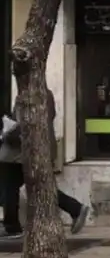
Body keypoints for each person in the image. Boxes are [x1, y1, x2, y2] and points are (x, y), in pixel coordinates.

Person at [1, 88, 88, 239]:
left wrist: (8, 132)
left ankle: (12, 227)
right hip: (31, 150)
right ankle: (75, 208)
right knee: (39, 186)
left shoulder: (29, 95)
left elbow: (26, 125)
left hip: (20, 153)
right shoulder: (44, 93)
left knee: (11, 186)